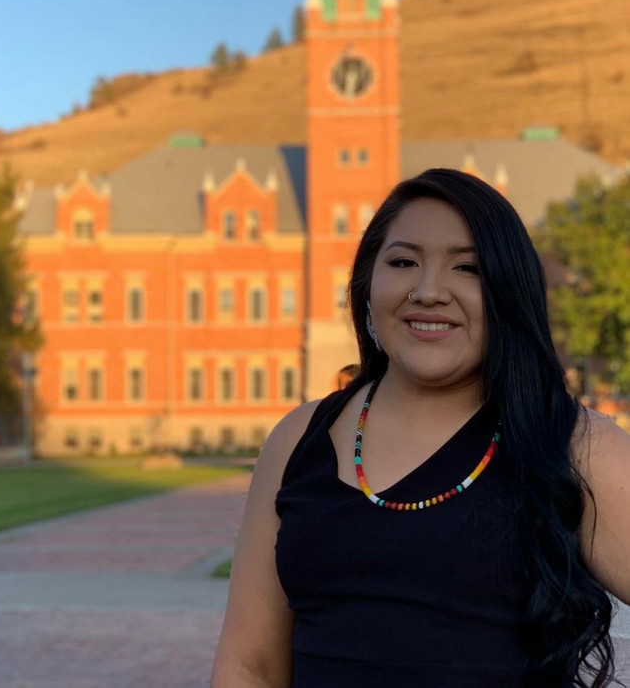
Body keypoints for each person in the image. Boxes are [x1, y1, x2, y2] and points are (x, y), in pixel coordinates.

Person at [211, 168, 630, 688]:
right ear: (368, 285)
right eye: (404, 261)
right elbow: (249, 666)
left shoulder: (571, 443)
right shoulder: (298, 438)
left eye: (468, 268)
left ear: (508, 292)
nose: (429, 291)